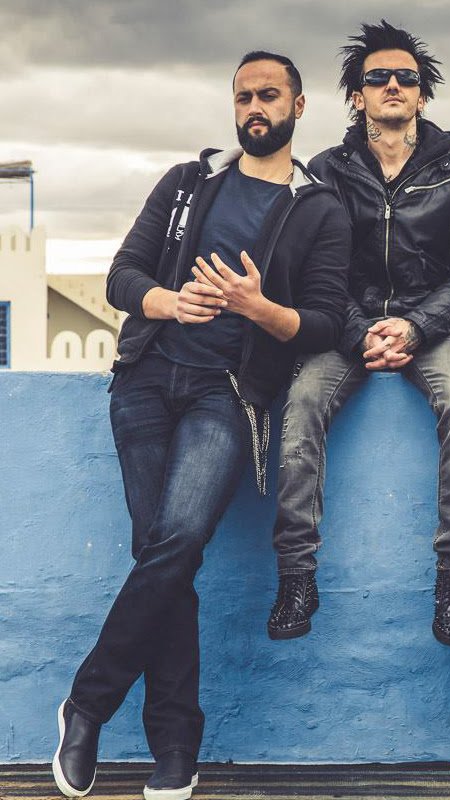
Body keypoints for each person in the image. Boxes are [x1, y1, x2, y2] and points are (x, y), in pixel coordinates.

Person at [52, 52, 350, 800]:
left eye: (269, 95)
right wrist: (169, 302)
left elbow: (324, 321)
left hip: (227, 392)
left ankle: (87, 704)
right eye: (243, 96)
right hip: (147, 380)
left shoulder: (319, 208)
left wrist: (258, 308)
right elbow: (124, 274)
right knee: (162, 554)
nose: (254, 107)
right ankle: (177, 747)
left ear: (298, 106)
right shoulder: (189, 182)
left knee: (178, 539)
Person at [266, 20, 450, 646]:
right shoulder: (326, 171)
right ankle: (296, 575)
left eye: (406, 78)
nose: (393, 85)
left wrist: (417, 325)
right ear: (356, 95)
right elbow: (315, 271)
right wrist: (360, 331)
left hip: (434, 325)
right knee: (301, 404)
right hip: (348, 326)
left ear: (422, 94)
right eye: (378, 77)